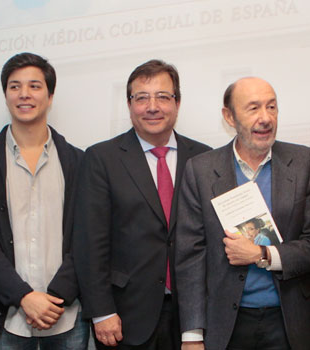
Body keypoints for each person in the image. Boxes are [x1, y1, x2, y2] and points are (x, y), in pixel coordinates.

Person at [176, 77, 310, 350]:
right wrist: (192, 335)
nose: (266, 118)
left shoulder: (303, 162)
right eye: (253, 108)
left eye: (272, 107)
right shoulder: (200, 170)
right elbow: (190, 256)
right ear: (229, 116)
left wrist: (263, 255)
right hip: (225, 325)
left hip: (289, 323)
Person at [72, 59, 211, 349]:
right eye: (142, 98)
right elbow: (90, 243)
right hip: (125, 315)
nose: (152, 107)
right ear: (129, 104)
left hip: (193, 315)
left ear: (178, 102)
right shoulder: (101, 159)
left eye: (163, 96)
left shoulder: (203, 158)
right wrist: (101, 311)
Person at [0, 52, 89, 349]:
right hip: (8, 320)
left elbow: (87, 237)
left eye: (35, 86)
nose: (24, 94)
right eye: (15, 86)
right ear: (5, 95)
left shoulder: (79, 162)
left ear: (50, 96)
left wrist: (56, 297)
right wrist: (23, 296)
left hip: (66, 317)